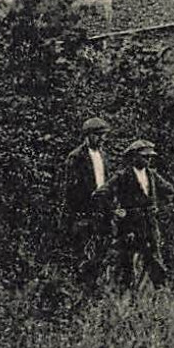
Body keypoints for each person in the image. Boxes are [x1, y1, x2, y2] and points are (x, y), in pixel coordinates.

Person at [107, 139, 174, 289]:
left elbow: (170, 190)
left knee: (154, 257)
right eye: (144, 157)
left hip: (150, 223)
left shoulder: (151, 175)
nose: (148, 160)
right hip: (130, 224)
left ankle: (160, 290)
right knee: (127, 260)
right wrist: (114, 210)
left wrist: (159, 207)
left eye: (150, 157)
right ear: (134, 157)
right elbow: (103, 193)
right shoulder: (122, 175)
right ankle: (126, 293)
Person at [60, 115, 113, 287]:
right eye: (99, 135)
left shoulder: (103, 156)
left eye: (104, 135)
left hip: (102, 211)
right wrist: (85, 205)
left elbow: (108, 181)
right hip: (84, 213)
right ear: (88, 135)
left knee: (101, 251)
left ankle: (93, 288)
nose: (102, 139)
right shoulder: (76, 157)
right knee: (82, 254)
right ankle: (80, 289)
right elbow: (71, 190)